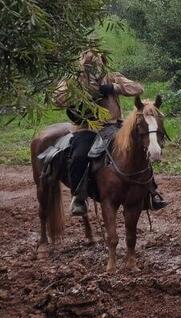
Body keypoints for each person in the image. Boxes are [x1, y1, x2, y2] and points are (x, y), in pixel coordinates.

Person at [54, 49, 168, 216]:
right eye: (90, 64)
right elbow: (57, 98)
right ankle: (78, 197)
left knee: (138, 148)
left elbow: (138, 88)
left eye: (98, 63)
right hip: (87, 127)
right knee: (79, 155)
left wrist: (114, 87)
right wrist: (81, 94)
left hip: (113, 126)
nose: (95, 66)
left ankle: (151, 192)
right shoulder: (74, 79)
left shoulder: (111, 76)